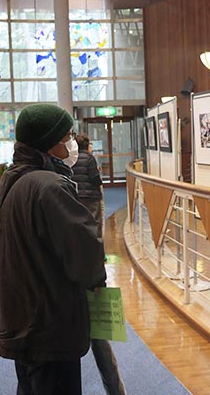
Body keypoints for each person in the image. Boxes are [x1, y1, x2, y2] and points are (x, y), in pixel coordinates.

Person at [0, 104, 107, 395]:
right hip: (51, 322)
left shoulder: (13, 179)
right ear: (49, 143)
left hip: (23, 317)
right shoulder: (50, 186)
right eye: (67, 136)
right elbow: (84, 253)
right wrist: (98, 283)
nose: (71, 142)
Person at [72, 134, 127, 395]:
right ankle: (116, 390)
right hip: (91, 203)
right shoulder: (90, 160)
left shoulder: (66, 169)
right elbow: (96, 181)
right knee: (99, 336)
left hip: (75, 268)